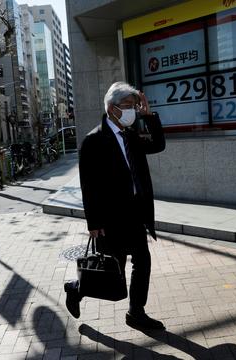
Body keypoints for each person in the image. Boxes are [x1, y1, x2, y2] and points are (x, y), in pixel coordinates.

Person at [64, 82, 165, 330]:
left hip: (135, 212)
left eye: (134, 106)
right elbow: (88, 185)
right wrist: (94, 223)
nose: (132, 110)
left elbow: (157, 145)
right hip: (111, 219)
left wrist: (147, 116)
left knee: (143, 260)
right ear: (112, 108)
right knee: (112, 270)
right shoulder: (93, 140)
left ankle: (136, 312)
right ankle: (76, 289)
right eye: (128, 106)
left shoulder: (133, 135)